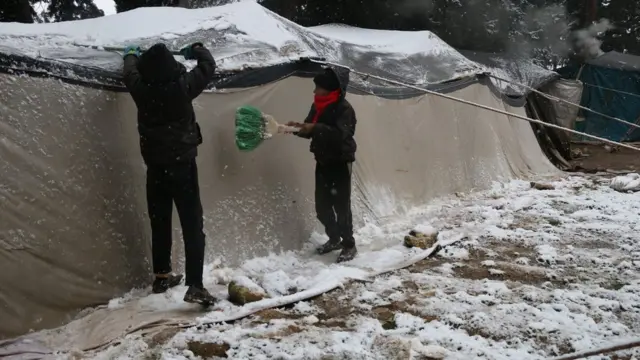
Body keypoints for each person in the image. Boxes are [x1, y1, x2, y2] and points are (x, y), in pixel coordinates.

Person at [121, 42, 216, 305]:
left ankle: (162, 276)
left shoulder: (141, 89)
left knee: (160, 218)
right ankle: (195, 285)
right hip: (182, 166)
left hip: (155, 166)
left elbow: (129, 72)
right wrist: (197, 49)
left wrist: (130, 55)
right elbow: (208, 66)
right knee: (192, 224)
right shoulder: (183, 86)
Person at [287, 66, 358, 263]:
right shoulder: (317, 105)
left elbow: (340, 135)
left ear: (328, 89)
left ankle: (349, 244)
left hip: (340, 162)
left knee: (342, 206)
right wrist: (297, 128)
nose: (314, 91)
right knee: (322, 207)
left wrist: (315, 127)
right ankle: (334, 238)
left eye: (317, 88)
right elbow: (310, 128)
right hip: (323, 161)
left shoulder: (344, 109)